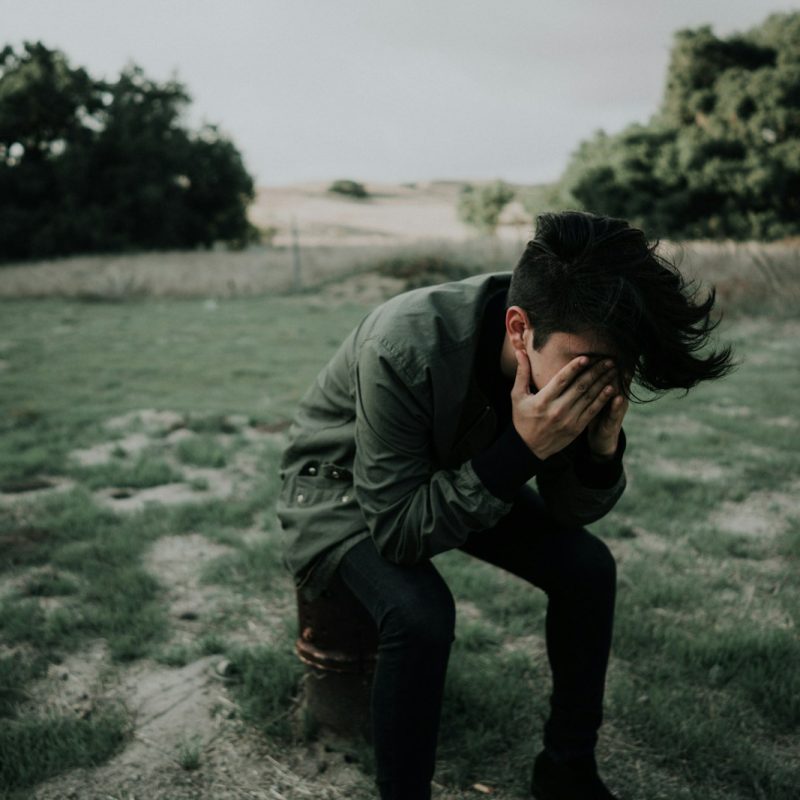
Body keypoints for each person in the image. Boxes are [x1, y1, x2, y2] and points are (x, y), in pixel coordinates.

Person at [276, 211, 734, 800]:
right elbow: (397, 532)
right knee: (420, 615)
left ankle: (567, 770)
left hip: (454, 473)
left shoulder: (571, 332)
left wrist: (599, 451)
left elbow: (570, 513)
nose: (598, 384)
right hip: (342, 489)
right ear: (519, 330)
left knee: (588, 568)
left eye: (617, 369)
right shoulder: (403, 343)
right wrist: (522, 450)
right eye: (586, 368)